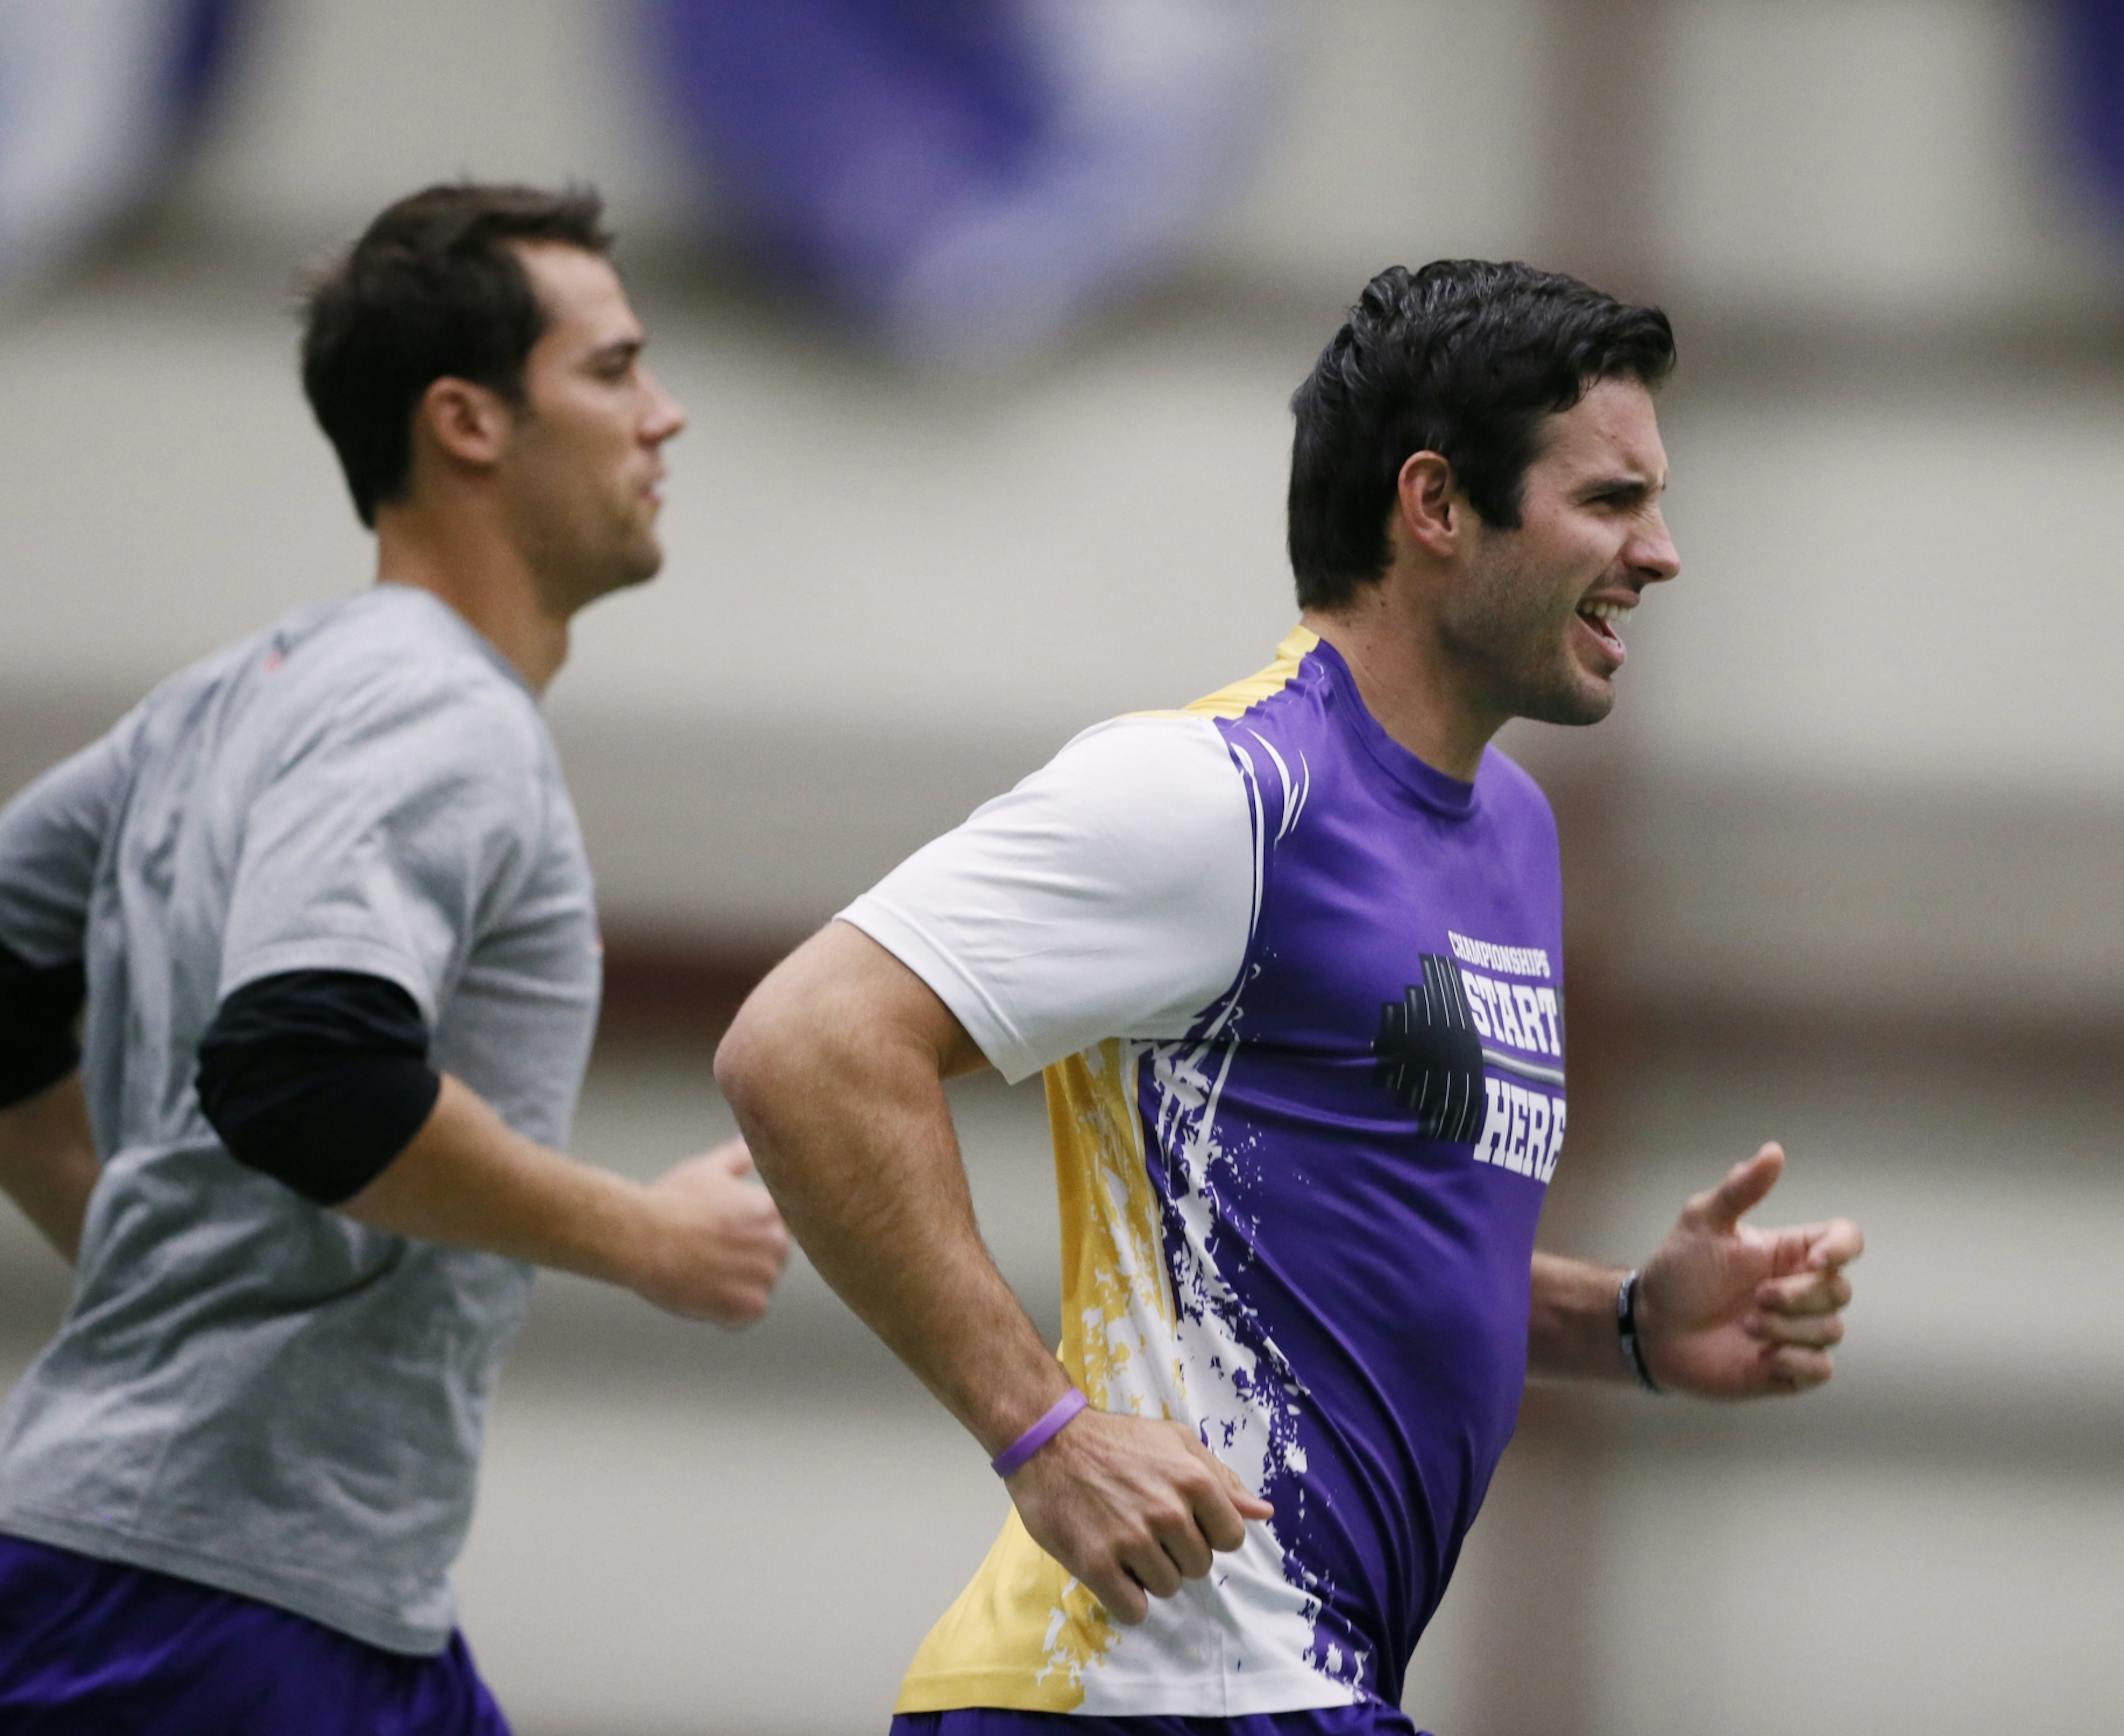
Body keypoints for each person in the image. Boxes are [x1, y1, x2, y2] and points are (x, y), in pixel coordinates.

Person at [715, 259, 1865, 1734]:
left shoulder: (1514, 831)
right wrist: (1043, 1433)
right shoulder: (1223, 794)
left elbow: (1338, 1238)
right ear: (1435, 504)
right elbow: (805, 1043)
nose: (1663, 553)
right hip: (1145, 1687)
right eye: (1610, 500)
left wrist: (1624, 1322)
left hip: (1299, 1687)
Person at [0, 182, 789, 1734]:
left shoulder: (234, 694)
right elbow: (308, 1072)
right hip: (208, 1610)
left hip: (252, 1584)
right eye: (614, 369)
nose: (665, 415)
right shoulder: (435, 708)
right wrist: (646, 1236)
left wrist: (132, 1239)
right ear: (467, 422)